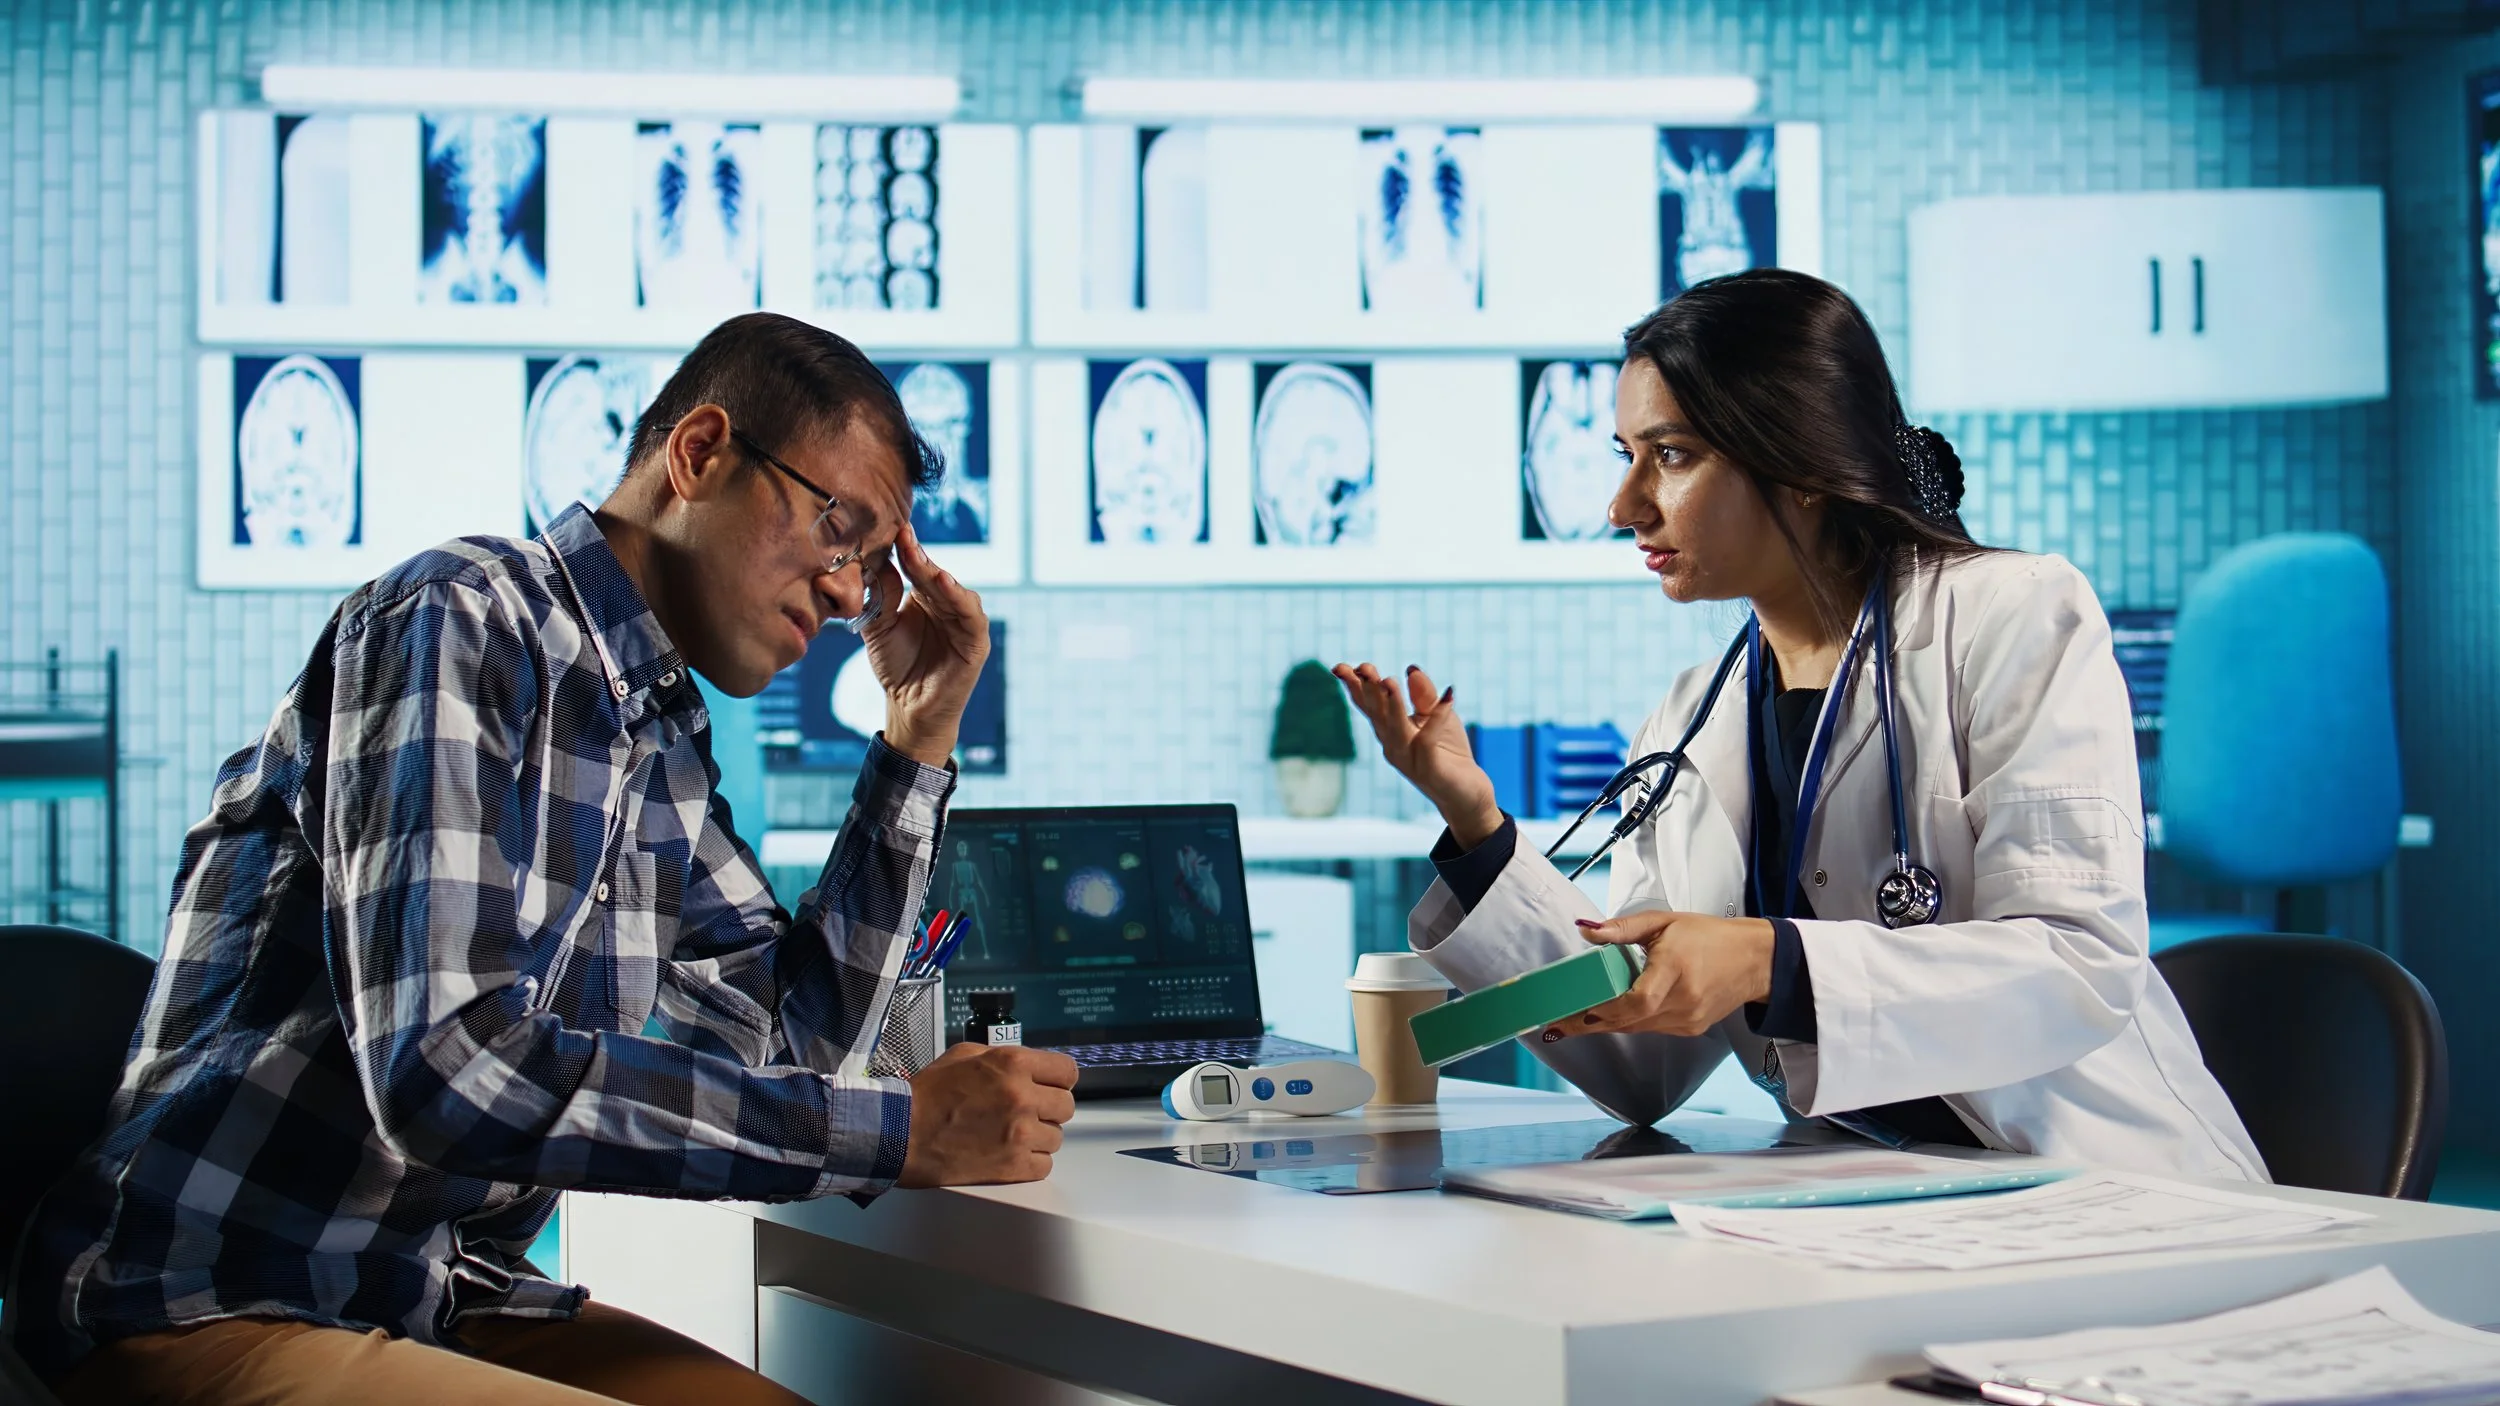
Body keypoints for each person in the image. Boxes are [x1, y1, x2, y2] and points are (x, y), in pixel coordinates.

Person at [14, 313, 1080, 1405]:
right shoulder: (456, 616)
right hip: (219, 1294)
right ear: (701, 452)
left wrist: (914, 735)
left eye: (867, 560)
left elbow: (799, 1049)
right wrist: (899, 1132)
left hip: (433, 1288)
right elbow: (446, 1071)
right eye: (835, 526)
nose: (854, 592)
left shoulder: (657, 746)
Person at [1336, 270, 2264, 1180]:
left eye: (1672, 455)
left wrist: (1768, 961)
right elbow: (1643, 1068)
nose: (1624, 508)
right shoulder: (1692, 718)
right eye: (1627, 458)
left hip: (2102, 1188)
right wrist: (1480, 832)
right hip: (1870, 1191)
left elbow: (2078, 965)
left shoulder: (2012, 617)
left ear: (1801, 463)